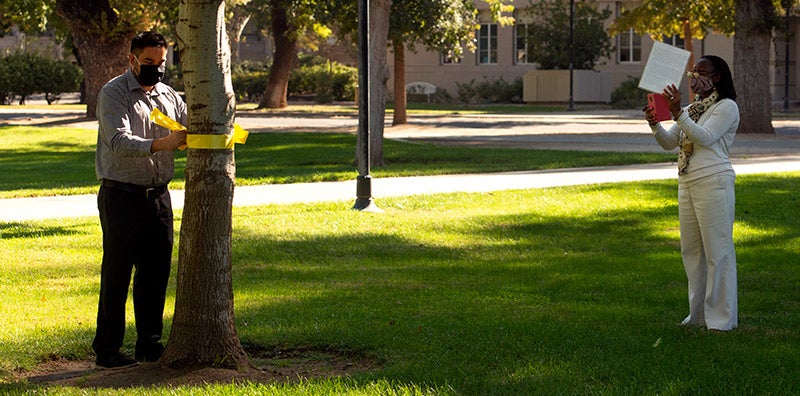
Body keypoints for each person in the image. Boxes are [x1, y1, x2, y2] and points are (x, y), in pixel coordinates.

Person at [93, 31, 187, 368]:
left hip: (159, 197)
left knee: (155, 273)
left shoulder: (168, 94)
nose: (156, 69)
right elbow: (118, 141)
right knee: (117, 274)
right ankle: (107, 350)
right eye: (148, 62)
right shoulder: (113, 93)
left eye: (161, 63)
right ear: (132, 59)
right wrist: (162, 144)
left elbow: (189, 124)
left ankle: (149, 345)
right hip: (121, 196)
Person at [644, 55, 739, 331]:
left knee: (717, 251)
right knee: (692, 252)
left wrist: (678, 113)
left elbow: (705, 137)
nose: (694, 77)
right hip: (687, 182)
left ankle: (721, 320)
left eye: (702, 72)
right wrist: (655, 124)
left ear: (717, 77)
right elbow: (670, 142)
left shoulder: (726, 107)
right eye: (693, 72)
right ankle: (697, 316)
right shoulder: (692, 108)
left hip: (714, 181)